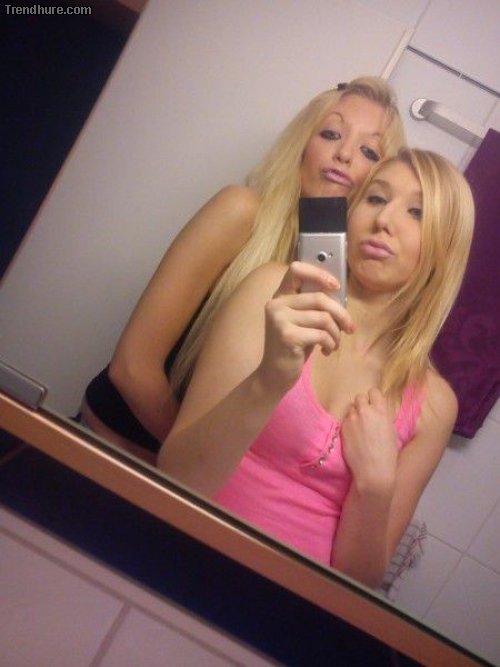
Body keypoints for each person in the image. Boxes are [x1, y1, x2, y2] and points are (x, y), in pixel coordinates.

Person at [157, 148, 475, 588]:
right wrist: (269, 380)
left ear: (446, 249)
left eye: (417, 212)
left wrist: (376, 484)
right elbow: (175, 476)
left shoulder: (435, 405)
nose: (384, 220)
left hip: (290, 604)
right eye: (376, 198)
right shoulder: (274, 292)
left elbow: (358, 585)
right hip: (180, 553)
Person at [81, 76, 406, 463]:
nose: (345, 154)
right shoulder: (241, 211)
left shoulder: (349, 279)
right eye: (331, 134)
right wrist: (197, 468)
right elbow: (132, 367)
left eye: (369, 151)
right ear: (302, 144)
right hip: (104, 453)